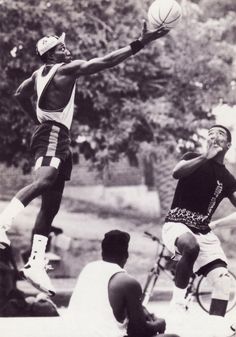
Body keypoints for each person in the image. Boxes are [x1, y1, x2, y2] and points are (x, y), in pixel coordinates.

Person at [0, 22, 169, 296]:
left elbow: (20, 94)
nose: (66, 50)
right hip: (53, 132)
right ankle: (3, 222)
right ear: (51, 55)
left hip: (57, 134)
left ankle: (35, 262)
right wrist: (141, 41)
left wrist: (36, 119)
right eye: (60, 47)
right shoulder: (67, 69)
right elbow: (107, 60)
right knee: (45, 180)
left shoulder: (37, 74)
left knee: (51, 206)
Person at [161, 125, 236, 335]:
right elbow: (177, 172)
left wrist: (218, 224)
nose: (214, 135)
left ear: (228, 145)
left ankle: (215, 330)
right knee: (190, 246)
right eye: (210, 133)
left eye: (220, 134)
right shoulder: (193, 157)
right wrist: (205, 156)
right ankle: (178, 304)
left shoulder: (228, 178)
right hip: (177, 224)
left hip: (204, 233)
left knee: (223, 280)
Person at [67, 229, 179, 337]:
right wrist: (159, 324)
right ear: (126, 255)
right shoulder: (128, 283)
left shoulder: (89, 269)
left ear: (103, 252)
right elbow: (139, 332)